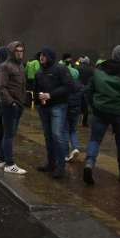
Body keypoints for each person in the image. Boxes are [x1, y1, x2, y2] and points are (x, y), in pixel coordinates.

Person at [83, 45, 120, 185]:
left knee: (95, 140)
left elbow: (89, 90)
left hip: (100, 111)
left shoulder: (99, 69)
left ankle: (89, 163)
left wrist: (94, 105)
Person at [34, 47, 74, 178]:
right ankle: (51, 163)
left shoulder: (60, 69)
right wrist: (38, 98)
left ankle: (60, 166)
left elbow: (69, 86)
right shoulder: (39, 72)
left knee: (57, 135)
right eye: (41, 55)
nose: (41, 58)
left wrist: (50, 95)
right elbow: (36, 87)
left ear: (50, 56)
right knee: (48, 136)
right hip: (44, 107)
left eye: (44, 56)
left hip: (58, 106)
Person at [0, 40, 28, 174]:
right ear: (11, 52)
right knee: (9, 135)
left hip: (17, 105)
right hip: (9, 105)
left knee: (9, 134)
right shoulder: (5, 66)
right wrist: (11, 102)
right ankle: (9, 164)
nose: (20, 53)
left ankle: (2, 160)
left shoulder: (20, 66)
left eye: (21, 51)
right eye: (17, 51)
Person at [77, 56, 94, 127]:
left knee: (77, 105)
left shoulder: (78, 68)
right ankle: (84, 122)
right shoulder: (91, 69)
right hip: (87, 89)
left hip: (79, 88)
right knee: (86, 107)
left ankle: (76, 121)